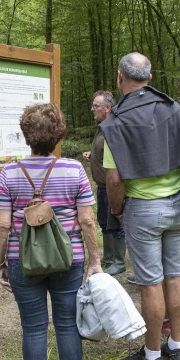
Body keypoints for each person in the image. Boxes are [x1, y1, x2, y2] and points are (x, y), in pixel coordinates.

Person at [0, 103, 101, 360]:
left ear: (27, 136)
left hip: (22, 261)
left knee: (34, 328)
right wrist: (94, 261)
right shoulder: (73, 169)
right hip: (69, 260)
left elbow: (1, 225)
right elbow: (87, 221)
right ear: (58, 135)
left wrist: (0, 263)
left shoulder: (9, 173)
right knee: (68, 327)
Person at [102, 52, 180, 360]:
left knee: (151, 282)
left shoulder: (115, 122)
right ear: (150, 78)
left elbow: (114, 178)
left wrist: (115, 208)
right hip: (177, 206)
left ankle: (153, 356)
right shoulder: (173, 108)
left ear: (119, 77)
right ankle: (177, 347)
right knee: (174, 275)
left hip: (142, 209)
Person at [82, 91, 127, 275]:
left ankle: (118, 260)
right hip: (101, 187)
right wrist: (92, 156)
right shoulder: (101, 127)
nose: (92, 109)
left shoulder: (114, 128)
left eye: (96, 106)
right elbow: (106, 153)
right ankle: (108, 258)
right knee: (104, 222)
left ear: (107, 108)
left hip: (112, 186)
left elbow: (118, 159)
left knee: (115, 223)